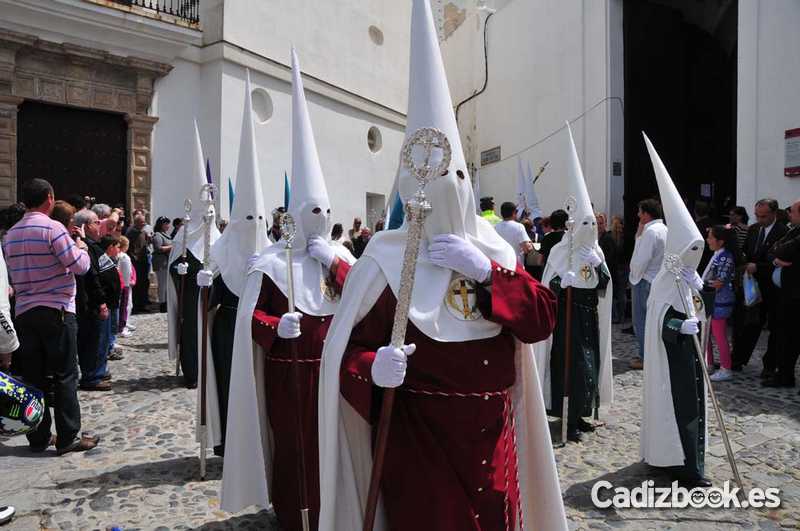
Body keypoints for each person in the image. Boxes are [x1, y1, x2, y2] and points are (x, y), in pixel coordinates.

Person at [317, 2, 566, 528]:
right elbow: (348, 354)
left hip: (492, 432)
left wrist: (486, 273)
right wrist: (372, 369)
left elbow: (542, 319)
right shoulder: (384, 259)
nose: (439, 193)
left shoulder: (494, 252)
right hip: (419, 437)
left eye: (452, 177)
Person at [220, 50, 356, 531]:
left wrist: (332, 264)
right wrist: (280, 324)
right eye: (310, 211)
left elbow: (362, 305)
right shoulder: (270, 264)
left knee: (333, 444)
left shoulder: (342, 259)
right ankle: (294, 513)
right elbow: (249, 321)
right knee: (295, 445)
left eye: (325, 211)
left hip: (336, 372)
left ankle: (334, 510)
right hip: (289, 371)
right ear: (292, 216)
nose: (319, 220)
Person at [202, 70, 272, 457]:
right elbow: (205, 305)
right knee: (230, 384)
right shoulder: (223, 249)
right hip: (229, 329)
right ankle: (230, 441)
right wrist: (198, 284)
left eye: (259, 221)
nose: (254, 227)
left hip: (261, 333)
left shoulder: (273, 253)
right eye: (248, 220)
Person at [4, 179, 99, 454]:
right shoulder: (53, 228)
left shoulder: (11, 234)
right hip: (56, 309)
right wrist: (80, 248)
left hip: (24, 312)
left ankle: (37, 436)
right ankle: (68, 436)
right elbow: (79, 266)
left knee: (34, 377)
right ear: (48, 198)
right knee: (65, 374)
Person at [534, 126, 613, 444]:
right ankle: (567, 416)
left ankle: (583, 412)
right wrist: (559, 281)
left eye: (593, 223)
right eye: (585, 223)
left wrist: (598, 266)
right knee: (573, 366)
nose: (590, 228)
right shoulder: (560, 250)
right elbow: (547, 284)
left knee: (589, 365)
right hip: (567, 319)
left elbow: (605, 285)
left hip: (588, 316)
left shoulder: (596, 251)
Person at [639, 134, 710, 488]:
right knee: (678, 409)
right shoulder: (665, 284)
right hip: (672, 363)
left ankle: (693, 462)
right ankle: (679, 464)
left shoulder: (688, 277)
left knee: (694, 407)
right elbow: (660, 316)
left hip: (692, 361)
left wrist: (699, 310)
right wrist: (676, 326)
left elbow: (698, 304)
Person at [732, 198, 788, 374]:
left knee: (774, 328)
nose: (759, 219)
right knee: (748, 324)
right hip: (752, 285)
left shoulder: (783, 232)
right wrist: (745, 264)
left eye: (763, 216)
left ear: (773, 214)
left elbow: (780, 261)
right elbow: (747, 252)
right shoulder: (754, 229)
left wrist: (759, 267)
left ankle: (770, 366)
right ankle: (738, 359)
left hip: (772, 287)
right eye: (757, 215)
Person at [74, 209, 114, 390]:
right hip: (95, 304)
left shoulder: (92, 244)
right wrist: (101, 301)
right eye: (97, 222)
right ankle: (92, 376)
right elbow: (92, 276)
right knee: (94, 340)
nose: (100, 225)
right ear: (85, 226)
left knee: (101, 339)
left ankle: (99, 369)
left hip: (104, 302)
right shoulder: (84, 247)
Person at [764, 199, 800, 388]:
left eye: (792, 211)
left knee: (792, 337)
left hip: (796, 295)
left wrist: (779, 256)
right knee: (784, 336)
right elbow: (773, 250)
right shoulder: (793, 230)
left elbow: (784, 249)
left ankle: (785, 374)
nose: (789, 214)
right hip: (786, 293)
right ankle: (784, 374)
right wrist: (777, 261)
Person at [628, 198, 668, 369]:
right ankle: (654, 355)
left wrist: (633, 276)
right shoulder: (664, 229)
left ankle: (645, 357)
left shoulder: (651, 232)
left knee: (641, 321)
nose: (638, 215)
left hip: (644, 280)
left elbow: (641, 259)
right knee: (654, 321)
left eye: (640, 212)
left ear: (646, 214)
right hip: (657, 280)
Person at [702, 225, 737, 382]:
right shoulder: (718, 254)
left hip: (720, 301)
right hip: (712, 300)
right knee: (707, 333)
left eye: (710, 237)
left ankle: (726, 367)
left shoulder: (725, 257)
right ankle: (709, 363)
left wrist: (700, 283)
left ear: (720, 241)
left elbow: (719, 282)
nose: (707, 240)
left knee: (719, 335)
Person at [126, 213, 152, 313]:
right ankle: (136, 306)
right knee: (137, 284)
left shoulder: (144, 232)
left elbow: (146, 244)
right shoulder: (130, 232)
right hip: (136, 262)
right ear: (136, 222)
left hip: (144, 261)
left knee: (144, 283)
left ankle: (143, 304)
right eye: (142, 222)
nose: (144, 224)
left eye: (144, 222)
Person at [151, 216, 174, 313]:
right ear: (161, 225)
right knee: (162, 285)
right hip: (161, 263)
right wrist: (171, 247)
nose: (168, 226)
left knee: (166, 285)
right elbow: (158, 248)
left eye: (168, 224)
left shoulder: (165, 234)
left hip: (166, 262)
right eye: (166, 224)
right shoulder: (157, 235)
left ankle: (166, 302)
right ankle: (162, 304)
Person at [609, 215, 627, 323]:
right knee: (621, 293)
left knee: (614, 293)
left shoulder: (611, 237)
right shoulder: (624, 237)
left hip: (616, 267)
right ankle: (621, 316)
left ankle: (616, 316)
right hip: (622, 267)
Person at [117, 236, 134, 338]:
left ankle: (122, 325)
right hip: (125, 284)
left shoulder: (118, 255)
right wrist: (127, 283)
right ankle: (121, 328)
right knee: (124, 306)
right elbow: (127, 272)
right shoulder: (124, 257)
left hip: (120, 283)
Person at [694, 200, 714, 273]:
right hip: (711, 256)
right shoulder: (714, 223)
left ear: (695, 212)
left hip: (700, 258)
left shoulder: (696, 226)